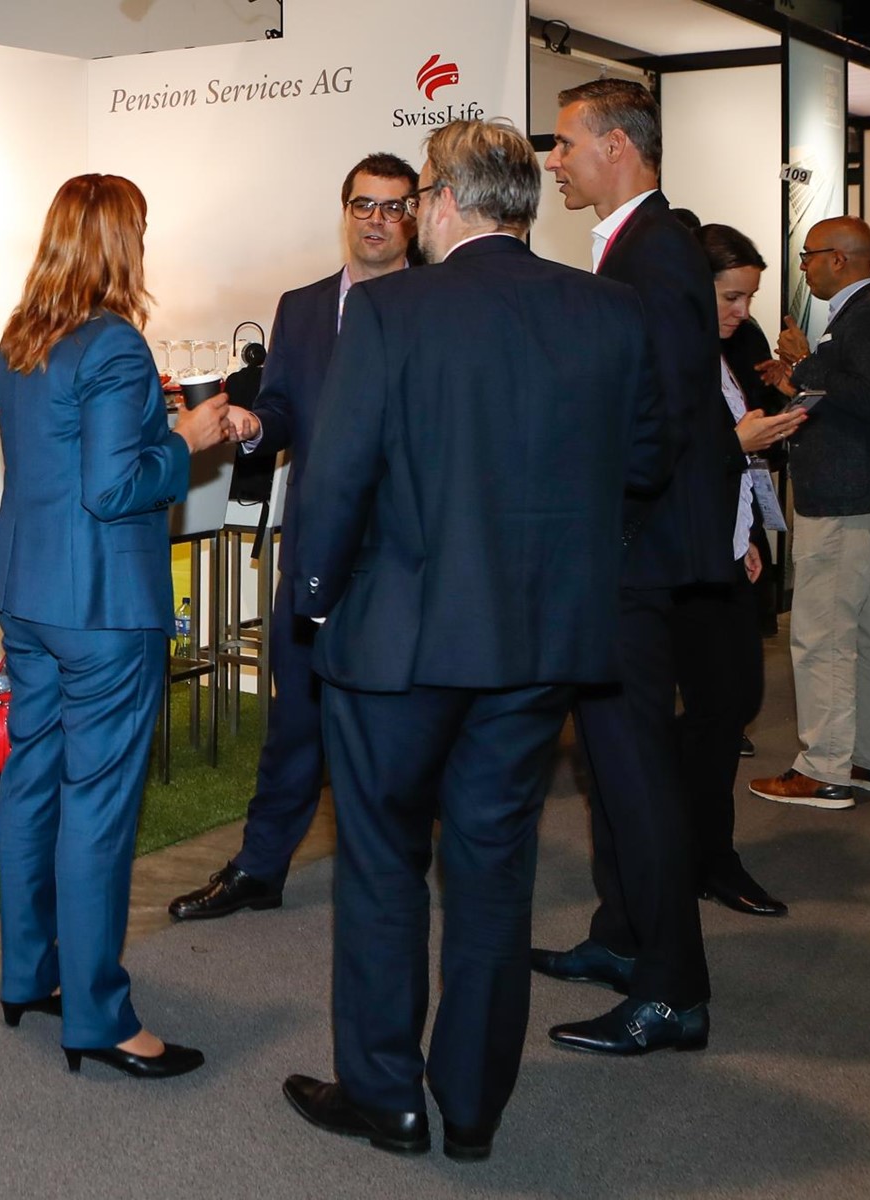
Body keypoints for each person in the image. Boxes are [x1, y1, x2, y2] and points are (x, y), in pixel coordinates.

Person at [280, 118, 665, 1160]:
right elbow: (643, 463)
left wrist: (312, 601)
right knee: (495, 874)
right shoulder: (608, 310)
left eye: (415, 201)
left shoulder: (389, 310)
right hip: (538, 643)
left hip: (396, 648)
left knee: (383, 867)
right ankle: (474, 1108)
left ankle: (386, 1097)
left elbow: (339, 475)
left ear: (444, 202)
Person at [0, 174, 233, 1078]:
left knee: (32, 783)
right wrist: (186, 440)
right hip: (100, 608)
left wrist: (152, 431)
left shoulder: (20, 338)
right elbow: (112, 486)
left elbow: (60, 460)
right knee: (95, 807)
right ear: (121, 241)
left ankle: (30, 974)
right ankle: (96, 1015)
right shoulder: (117, 346)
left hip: (26, 593)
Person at [530, 78, 732, 1056]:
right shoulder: (632, 243)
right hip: (624, 552)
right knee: (608, 767)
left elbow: (659, 417)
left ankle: (673, 991)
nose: (554, 161)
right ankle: (622, 937)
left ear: (617, 145)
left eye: (566, 143)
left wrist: (604, 536)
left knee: (636, 770)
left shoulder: (657, 251)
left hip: (630, 559)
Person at [167, 153, 419, 922]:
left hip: (402, 559)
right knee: (295, 721)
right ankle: (259, 867)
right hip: (313, 550)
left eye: (393, 206)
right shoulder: (303, 308)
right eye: (364, 204)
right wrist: (252, 425)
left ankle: (390, 880)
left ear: (415, 217)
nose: (376, 220)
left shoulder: (437, 303)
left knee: (395, 729)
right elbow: (281, 409)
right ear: (345, 211)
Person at [749, 216, 870, 809]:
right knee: (866, 631)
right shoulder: (869, 313)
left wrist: (804, 364)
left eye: (808, 256)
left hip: (847, 495)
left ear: (840, 259)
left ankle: (823, 769)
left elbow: (868, 398)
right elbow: (853, 399)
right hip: (856, 493)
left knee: (821, 634)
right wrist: (795, 381)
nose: (803, 266)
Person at [677, 224, 807, 916]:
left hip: (721, 551)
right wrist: (740, 442)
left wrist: (746, 531)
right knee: (718, 710)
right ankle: (706, 857)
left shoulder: (717, 355)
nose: (742, 311)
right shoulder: (674, 355)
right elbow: (662, 463)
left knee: (730, 707)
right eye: (731, 296)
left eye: (748, 297)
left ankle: (705, 853)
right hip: (684, 565)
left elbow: (725, 461)